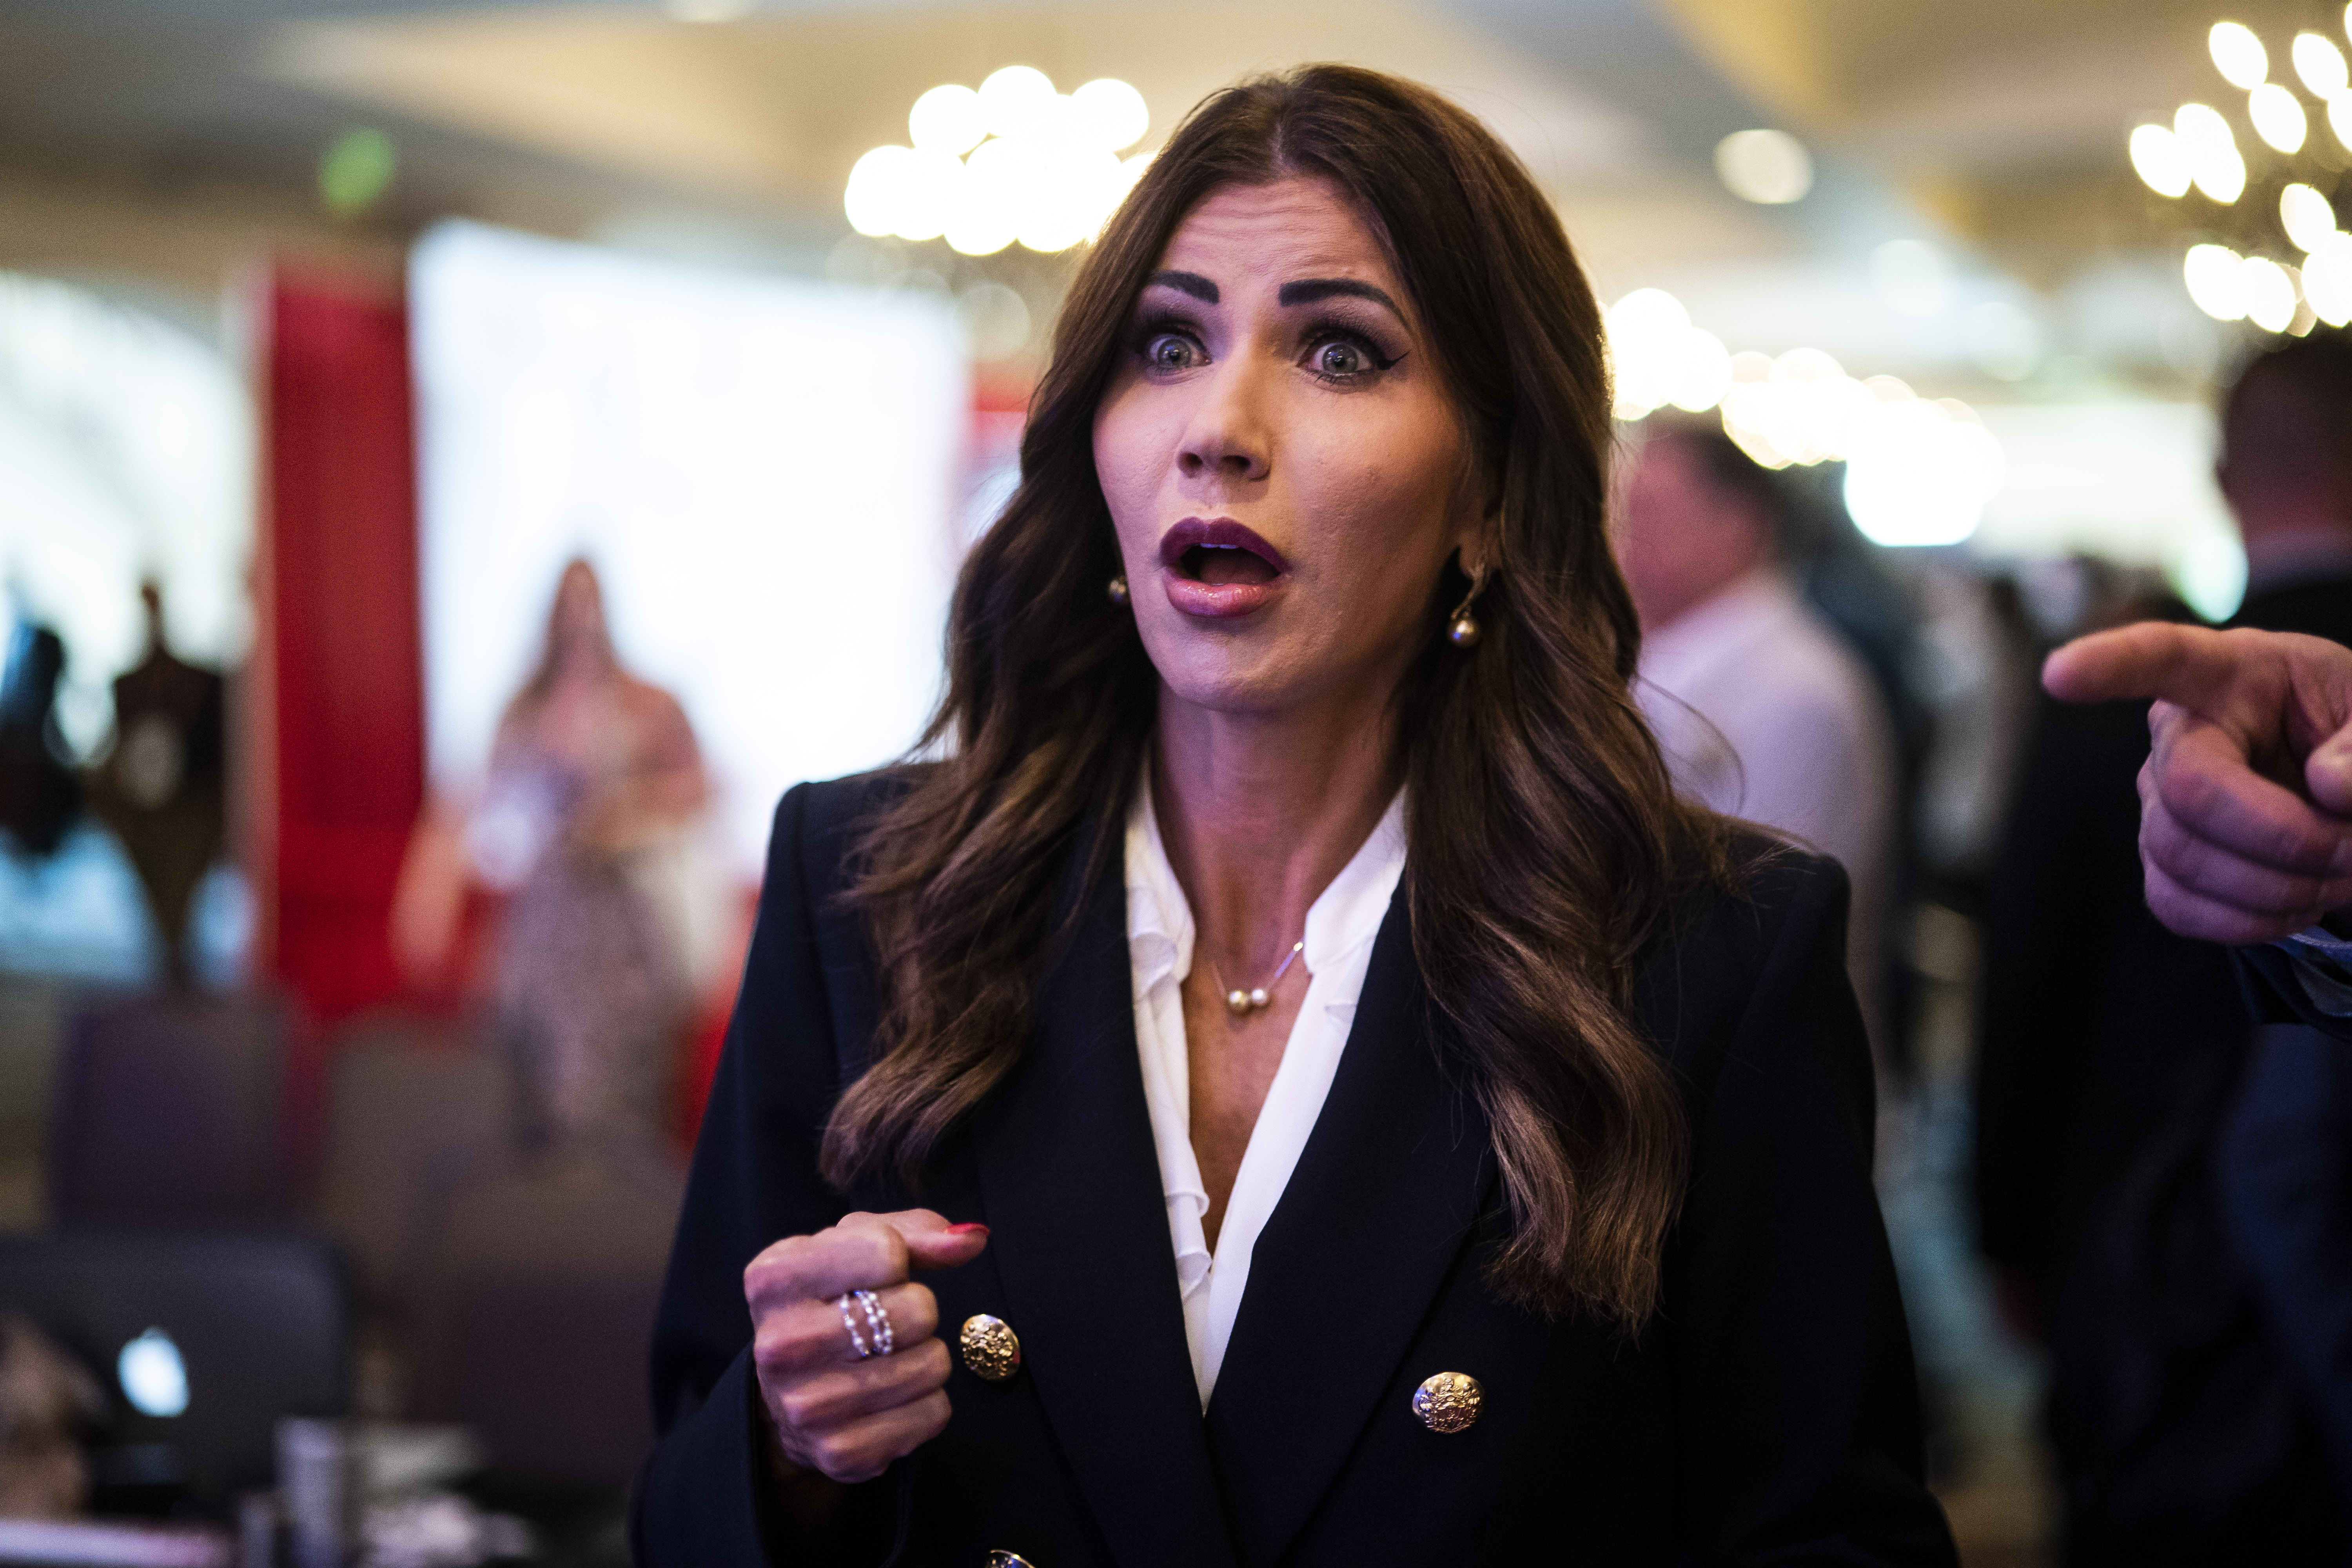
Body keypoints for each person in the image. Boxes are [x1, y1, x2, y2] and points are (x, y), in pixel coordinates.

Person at [633, 66, 1954, 1566]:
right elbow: (679, 1498)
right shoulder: (865, 892)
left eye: (1339, 352)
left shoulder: (1706, 959)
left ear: (1491, 496)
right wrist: (789, 1444)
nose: (1221, 427)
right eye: (1168, 344)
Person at [1975, 335, 2352, 1562]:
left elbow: (2026, 985)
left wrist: (2005, 1229)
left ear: (2226, 475)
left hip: (2130, 1259)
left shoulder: (2124, 702)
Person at [393, 558, 715, 1160]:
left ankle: (620, 1195)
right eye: (570, 602)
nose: (580, 617)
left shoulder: (645, 703)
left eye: (590, 602)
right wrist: (427, 895)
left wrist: (631, 812)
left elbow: (698, 789)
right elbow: (461, 805)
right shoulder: (526, 707)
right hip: (547, 915)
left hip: (621, 911)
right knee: (529, 1067)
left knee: (621, 1084)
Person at [1615, 418, 1898, 1052]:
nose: (1620, 539)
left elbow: (1758, 923)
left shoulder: (1796, 689)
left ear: (1738, 525)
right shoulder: (1665, 655)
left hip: (1752, 1052)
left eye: (1647, 514)